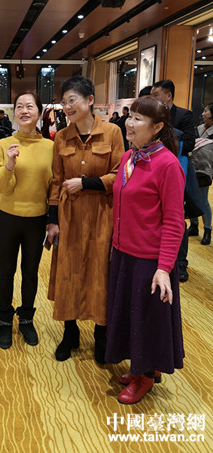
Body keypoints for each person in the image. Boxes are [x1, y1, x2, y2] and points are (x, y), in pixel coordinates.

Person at [105, 96, 185, 404]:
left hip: (149, 260)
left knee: (147, 321)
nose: (129, 122)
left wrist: (164, 268)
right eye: (131, 116)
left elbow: (175, 222)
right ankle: (140, 367)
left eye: (138, 118)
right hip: (124, 253)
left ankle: (145, 377)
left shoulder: (168, 165)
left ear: (157, 127)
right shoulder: (129, 157)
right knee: (131, 316)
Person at [46, 76, 124, 364]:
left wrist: (86, 183)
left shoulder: (112, 132)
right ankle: (70, 333)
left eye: (73, 100)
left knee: (100, 273)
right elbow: (56, 181)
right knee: (68, 272)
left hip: (102, 215)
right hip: (69, 216)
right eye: (64, 102)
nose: (67, 107)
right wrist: (52, 221)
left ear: (90, 100)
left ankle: (102, 336)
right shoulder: (61, 137)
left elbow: (119, 175)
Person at [0, 91, 54, 350]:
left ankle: (26, 318)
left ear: (39, 112)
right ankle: (5, 319)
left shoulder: (50, 147)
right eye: (19, 107)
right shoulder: (4, 144)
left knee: (30, 271)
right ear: (14, 113)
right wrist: (9, 165)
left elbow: (54, 186)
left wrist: (53, 219)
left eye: (30, 106)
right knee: (6, 270)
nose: (24, 110)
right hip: (8, 217)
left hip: (36, 219)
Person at [151, 79, 195, 282]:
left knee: (177, 217)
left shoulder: (184, 115)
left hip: (175, 169)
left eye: (156, 94)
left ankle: (181, 263)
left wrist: (167, 136)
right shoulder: (152, 113)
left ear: (168, 95)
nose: (153, 98)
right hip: (152, 170)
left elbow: (190, 143)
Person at [188, 103, 213, 245]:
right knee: (191, 198)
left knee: (203, 200)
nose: (203, 113)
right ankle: (194, 225)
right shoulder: (199, 128)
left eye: (206, 111)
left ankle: (207, 229)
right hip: (193, 167)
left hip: (205, 170)